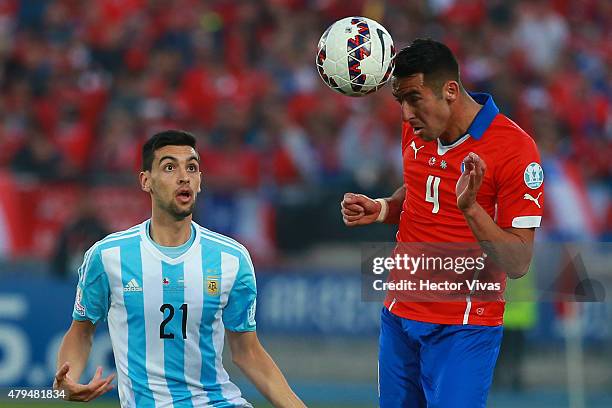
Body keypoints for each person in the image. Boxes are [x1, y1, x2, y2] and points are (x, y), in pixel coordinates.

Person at [340, 39, 544, 408]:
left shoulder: (514, 149)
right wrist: (385, 208)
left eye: (414, 99)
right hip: (399, 314)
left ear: (450, 90)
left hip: (464, 325)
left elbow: (518, 262)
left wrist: (472, 209)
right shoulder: (418, 128)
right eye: (399, 101)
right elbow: (421, 188)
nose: (405, 114)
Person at [54, 130, 305, 407]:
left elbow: (248, 352)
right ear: (145, 181)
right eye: (170, 167)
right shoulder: (108, 256)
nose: (184, 176)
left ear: (199, 182)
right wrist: (68, 380)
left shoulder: (231, 258)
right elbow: (81, 331)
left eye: (192, 167)